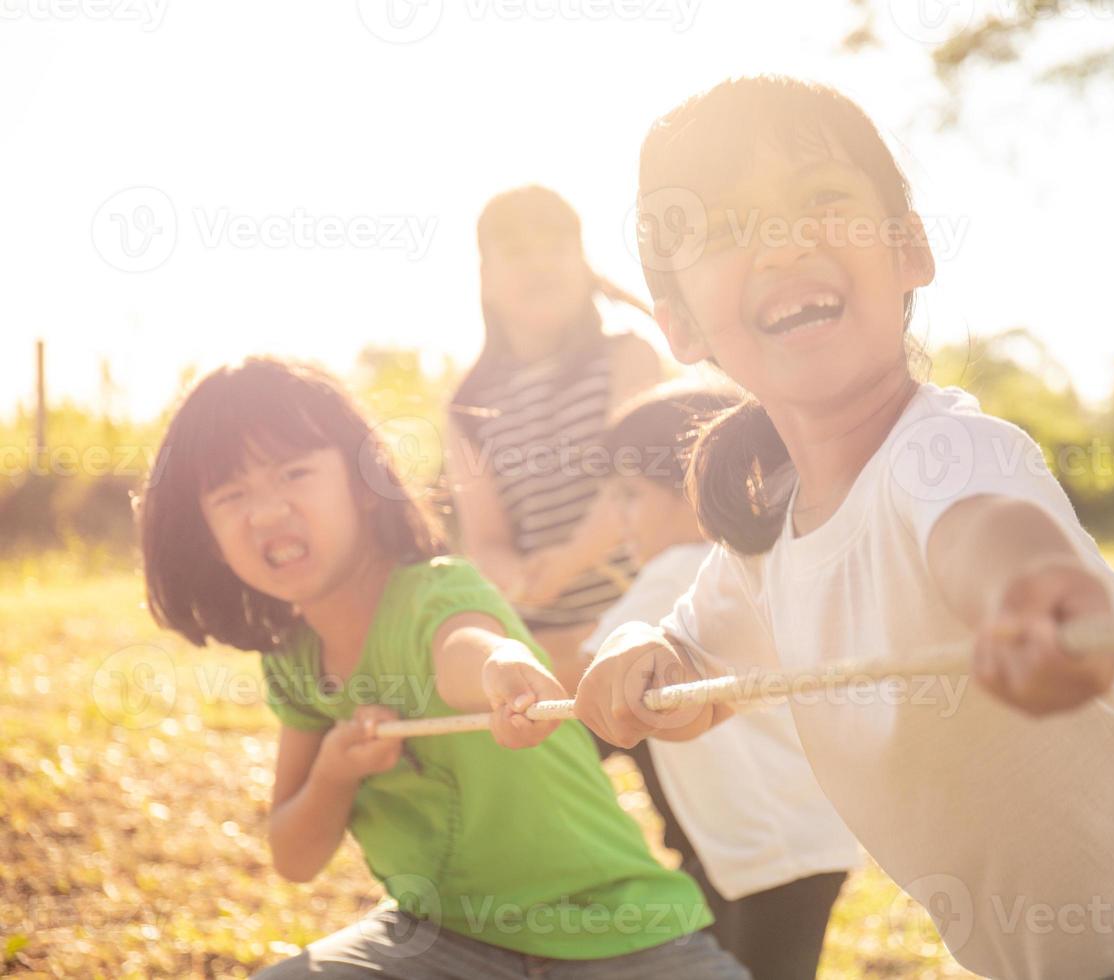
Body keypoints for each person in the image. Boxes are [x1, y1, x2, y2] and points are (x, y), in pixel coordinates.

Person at [570, 76, 1114, 979]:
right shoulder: (764, 546)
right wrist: (638, 659)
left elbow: (983, 533)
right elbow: (692, 670)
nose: (784, 241)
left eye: (822, 199)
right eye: (724, 229)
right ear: (678, 322)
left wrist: (1029, 597)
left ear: (910, 247)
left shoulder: (946, 453)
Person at [138, 357, 747, 979]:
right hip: (440, 942)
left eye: (293, 473)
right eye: (231, 495)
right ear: (205, 533)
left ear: (363, 485)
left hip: (619, 934)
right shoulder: (293, 663)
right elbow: (293, 857)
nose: (265, 512)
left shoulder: (436, 593)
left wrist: (504, 666)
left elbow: (465, 648)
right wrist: (332, 775)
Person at [584, 383, 862, 980]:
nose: (617, 521)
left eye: (630, 496)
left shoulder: (676, 572)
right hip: (778, 842)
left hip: (767, 846)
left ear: (697, 487)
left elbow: (587, 689)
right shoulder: (745, 574)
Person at [447, 185, 662, 685]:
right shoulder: (466, 406)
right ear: (486, 279)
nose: (539, 263)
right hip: (544, 648)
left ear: (584, 265)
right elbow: (485, 539)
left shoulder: (627, 358)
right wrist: (523, 582)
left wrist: (569, 562)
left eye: (555, 247)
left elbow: (635, 484)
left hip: (648, 624)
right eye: (517, 251)